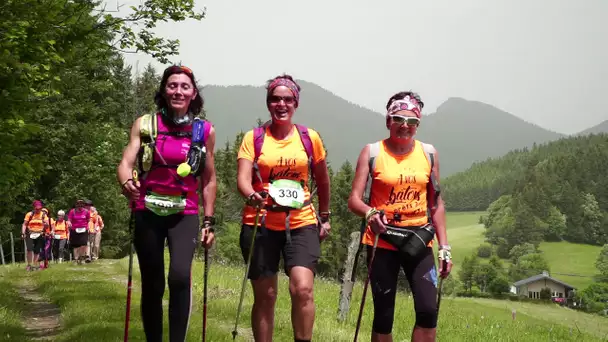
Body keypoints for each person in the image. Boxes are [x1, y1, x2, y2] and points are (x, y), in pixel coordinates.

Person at [117, 65, 217, 342]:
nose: (178, 91)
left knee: (179, 277)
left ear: (193, 93)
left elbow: (209, 180)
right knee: (153, 283)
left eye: (184, 86)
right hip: (147, 210)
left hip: (184, 212)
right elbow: (125, 164)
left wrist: (209, 221)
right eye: (172, 85)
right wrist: (127, 183)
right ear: (163, 90)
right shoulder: (145, 124)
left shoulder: (204, 130)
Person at [347, 91, 452, 342]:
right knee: (384, 316)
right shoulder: (372, 152)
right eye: (398, 119)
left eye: (412, 121)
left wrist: (444, 246)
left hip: (419, 239)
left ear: (418, 125)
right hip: (382, 240)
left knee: (428, 311)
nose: (405, 126)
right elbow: (354, 200)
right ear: (387, 121)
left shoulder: (429, 153)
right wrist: (370, 212)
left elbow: (436, 203)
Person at [236, 74, 331, 342]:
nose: (281, 104)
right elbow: (243, 178)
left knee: (302, 289)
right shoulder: (253, 138)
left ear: (295, 104)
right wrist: (252, 193)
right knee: (266, 296)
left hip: (301, 222)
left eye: (287, 99)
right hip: (261, 221)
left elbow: (322, 180)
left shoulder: (309, 138)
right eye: (276, 99)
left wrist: (325, 217)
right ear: (268, 103)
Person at [21, 200, 49, 271]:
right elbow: (24, 224)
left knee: (37, 250)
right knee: (29, 249)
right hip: (30, 233)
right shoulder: (29, 214)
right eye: (36, 208)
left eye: (39, 208)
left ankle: (34, 265)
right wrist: (23, 233)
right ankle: (29, 265)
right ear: (33, 207)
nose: (38, 210)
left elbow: (47, 225)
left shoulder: (43, 215)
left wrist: (46, 225)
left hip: (39, 234)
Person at [68, 199, 90, 264]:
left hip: (83, 229)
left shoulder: (86, 212)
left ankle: (82, 258)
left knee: (83, 244)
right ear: (76, 205)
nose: (80, 206)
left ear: (83, 205)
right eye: (78, 204)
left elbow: (88, 220)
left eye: (81, 204)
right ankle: (76, 259)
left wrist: (88, 227)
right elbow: (69, 219)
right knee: (76, 246)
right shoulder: (72, 211)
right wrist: (69, 223)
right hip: (74, 229)